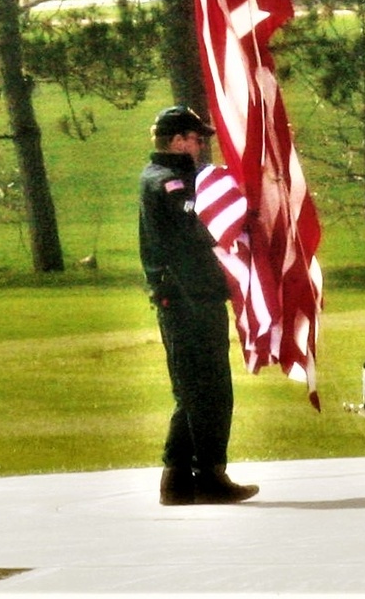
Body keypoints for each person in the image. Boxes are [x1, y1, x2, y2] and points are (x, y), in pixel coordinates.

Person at [139, 105, 259, 506]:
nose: (202, 145)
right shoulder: (165, 182)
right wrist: (243, 215)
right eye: (196, 139)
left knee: (200, 390)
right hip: (184, 299)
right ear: (176, 141)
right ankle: (206, 474)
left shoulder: (179, 179)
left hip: (198, 297)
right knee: (202, 390)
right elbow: (200, 225)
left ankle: (179, 477)